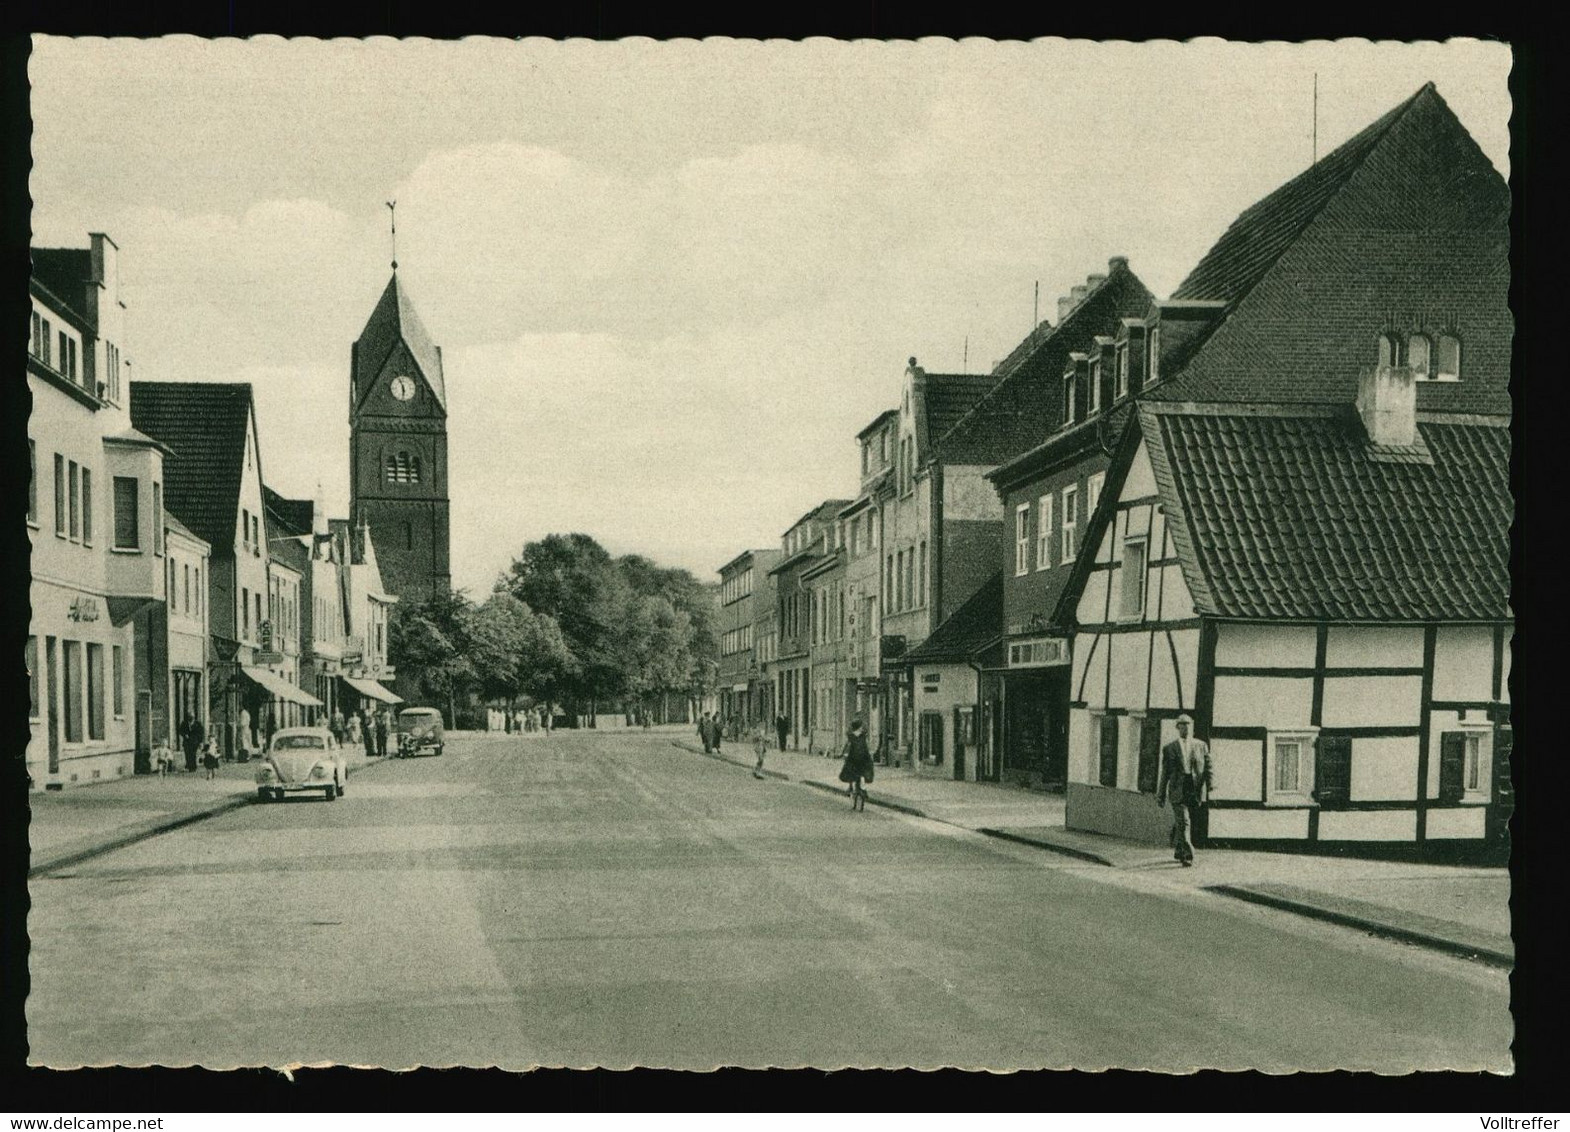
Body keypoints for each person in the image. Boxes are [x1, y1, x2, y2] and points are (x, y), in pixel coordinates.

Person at [1156, 713, 1213, 867]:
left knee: (1184, 822)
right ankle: (1188, 854)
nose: (1185, 728)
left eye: (1188, 725)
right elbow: (1165, 773)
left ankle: (1179, 849)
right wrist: (1160, 794)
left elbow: (1208, 766)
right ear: (1178, 727)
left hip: (1193, 787)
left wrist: (1210, 784)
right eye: (1182, 725)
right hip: (1176, 788)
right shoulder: (1170, 748)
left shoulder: (1200, 745)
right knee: (1184, 821)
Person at [838, 717, 875, 811]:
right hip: (864, 760)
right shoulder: (864, 736)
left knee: (849, 772)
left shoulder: (850, 736)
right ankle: (864, 789)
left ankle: (850, 787)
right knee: (864, 773)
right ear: (859, 727)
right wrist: (871, 755)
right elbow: (868, 746)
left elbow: (846, 746)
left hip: (853, 760)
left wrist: (842, 753)